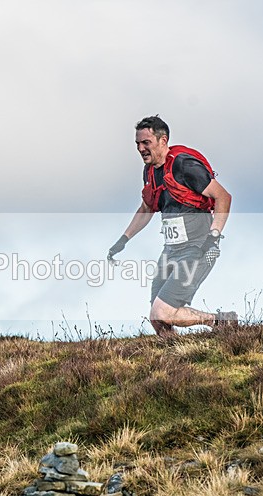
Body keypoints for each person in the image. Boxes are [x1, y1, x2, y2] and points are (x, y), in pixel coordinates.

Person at [107, 116, 238, 336]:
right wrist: (123, 239)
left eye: (146, 143)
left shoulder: (184, 165)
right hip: (170, 250)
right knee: (157, 320)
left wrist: (214, 236)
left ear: (163, 140)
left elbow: (223, 196)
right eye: (137, 144)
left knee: (162, 312)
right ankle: (179, 354)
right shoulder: (150, 172)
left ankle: (221, 321)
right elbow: (147, 208)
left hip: (198, 248)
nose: (140, 149)